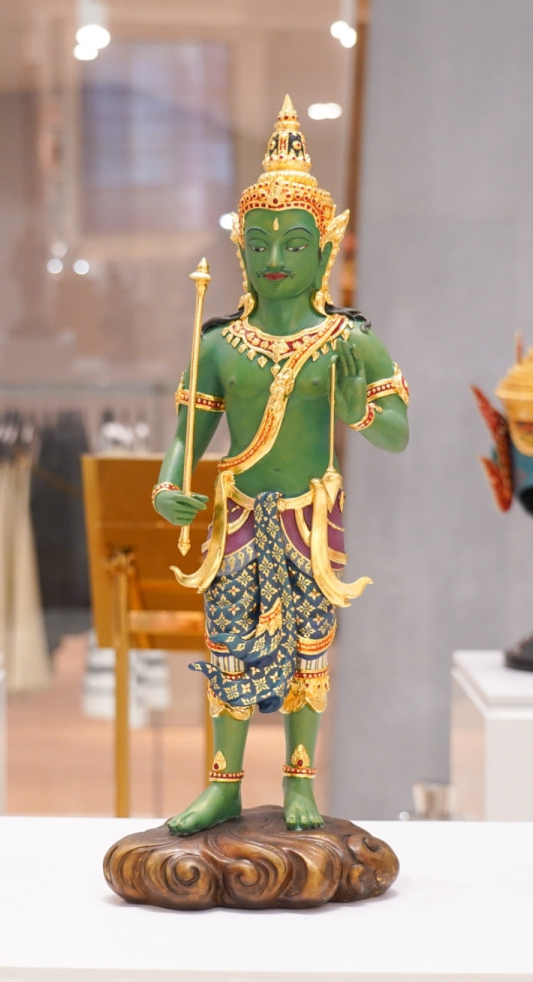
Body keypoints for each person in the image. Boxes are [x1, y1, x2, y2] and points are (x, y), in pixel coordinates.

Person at [155, 98, 409, 835]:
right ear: (241, 253)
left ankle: (300, 780)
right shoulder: (219, 345)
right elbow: (187, 437)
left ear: (324, 251)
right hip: (238, 513)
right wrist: (168, 485)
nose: (276, 260)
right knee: (228, 648)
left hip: (308, 517)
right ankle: (223, 785)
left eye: (294, 245)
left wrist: (360, 409)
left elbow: (398, 434)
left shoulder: (349, 341)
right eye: (261, 244)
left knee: (309, 650)